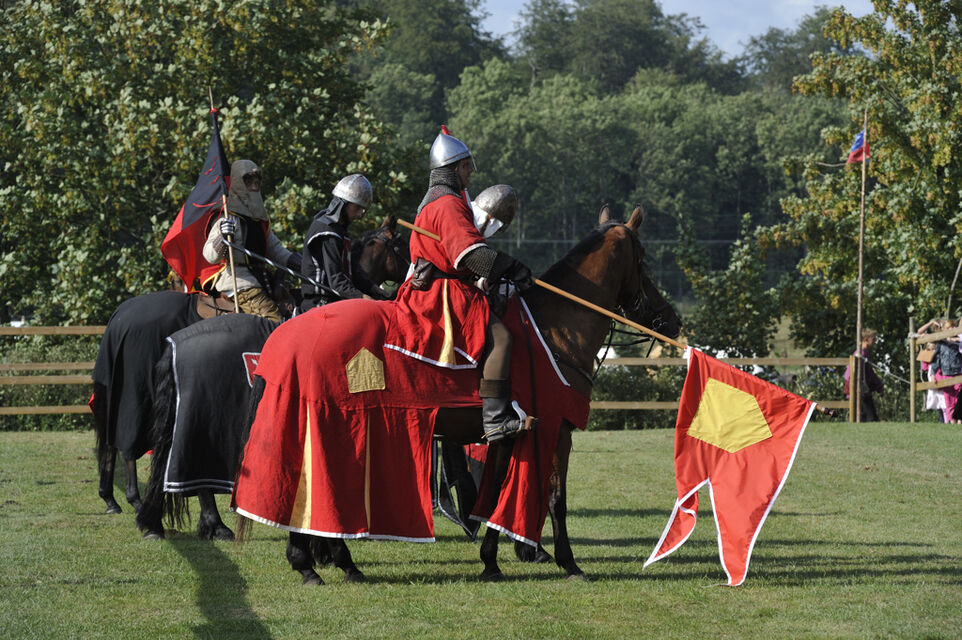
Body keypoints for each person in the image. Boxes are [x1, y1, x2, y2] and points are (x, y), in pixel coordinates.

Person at [392, 127, 534, 442]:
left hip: (438, 286)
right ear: (453, 169)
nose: (470, 172)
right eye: (467, 166)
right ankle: (495, 419)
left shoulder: (437, 203)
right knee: (502, 338)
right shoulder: (447, 204)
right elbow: (471, 256)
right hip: (443, 293)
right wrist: (511, 267)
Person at [202, 159, 301, 322]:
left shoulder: (259, 219)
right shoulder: (227, 217)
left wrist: (301, 263)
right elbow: (209, 256)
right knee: (274, 322)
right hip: (238, 281)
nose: (255, 187)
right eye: (249, 183)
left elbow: (275, 250)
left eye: (257, 183)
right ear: (238, 184)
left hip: (260, 278)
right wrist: (222, 237)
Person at [299, 174, 385, 313]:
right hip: (320, 305)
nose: (360, 215)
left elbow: (349, 273)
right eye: (357, 208)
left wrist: (372, 288)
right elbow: (337, 281)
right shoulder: (327, 232)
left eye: (362, 210)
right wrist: (363, 298)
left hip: (335, 302)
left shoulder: (338, 230)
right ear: (343, 204)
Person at [843, 328, 884, 422]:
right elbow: (851, 374)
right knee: (869, 418)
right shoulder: (860, 354)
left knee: (870, 418)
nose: (875, 341)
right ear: (866, 339)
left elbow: (869, 373)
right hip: (860, 392)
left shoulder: (864, 353)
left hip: (864, 391)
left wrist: (878, 386)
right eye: (873, 339)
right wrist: (878, 386)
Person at [931, 318, 962, 423]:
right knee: (948, 398)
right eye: (948, 328)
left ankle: (959, 420)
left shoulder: (959, 341)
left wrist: (955, 340)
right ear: (944, 329)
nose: (951, 329)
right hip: (946, 373)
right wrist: (933, 374)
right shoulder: (940, 342)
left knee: (959, 396)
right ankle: (952, 420)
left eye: (953, 327)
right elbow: (936, 359)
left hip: (958, 372)